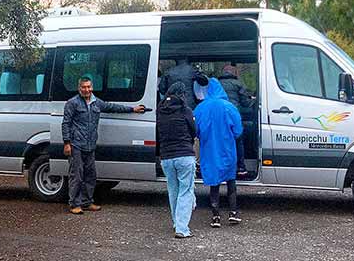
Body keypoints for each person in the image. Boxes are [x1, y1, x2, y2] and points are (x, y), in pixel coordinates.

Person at [62, 76, 146, 214]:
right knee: (76, 175)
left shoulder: (96, 103)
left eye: (88, 87)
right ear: (79, 88)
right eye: (83, 87)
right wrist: (67, 143)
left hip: (90, 145)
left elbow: (112, 107)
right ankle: (74, 204)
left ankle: (87, 202)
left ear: (92, 87)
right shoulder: (72, 103)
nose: (86, 89)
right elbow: (66, 123)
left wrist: (133, 109)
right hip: (76, 145)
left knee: (91, 176)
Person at [193, 77, 243, 228]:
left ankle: (215, 216)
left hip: (209, 151)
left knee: (214, 184)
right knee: (231, 181)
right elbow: (238, 130)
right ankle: (233, 213)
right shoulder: (229, 107)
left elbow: (195, 130)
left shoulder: (201, 108)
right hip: (227, 149)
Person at [156, 82, 197, 238]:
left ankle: (176, 222)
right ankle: (182, 229)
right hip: (184, 155)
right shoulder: (185, 110)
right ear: (182, 94)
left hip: (166, 157)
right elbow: (194, 130)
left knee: (173, 190)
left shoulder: (160, 111)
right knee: (185, 191)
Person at [218, 64, 253, 177]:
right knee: (238, 141)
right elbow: (245, 103)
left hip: (219, 117)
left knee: (221, 142)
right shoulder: (238, 84)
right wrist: (253, 100)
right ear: (234, 73)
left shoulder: (217, 84)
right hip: (234, 116)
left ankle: (222, 167)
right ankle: (241, 167)